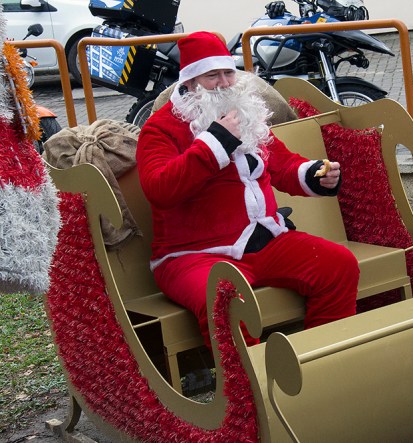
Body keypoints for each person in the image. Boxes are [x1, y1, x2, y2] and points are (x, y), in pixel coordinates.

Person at [136, 31, 359, 348]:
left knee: (338, 266)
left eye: (228, 72)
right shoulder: (161, 128)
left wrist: (313, 175)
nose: (225, 83)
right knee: (225, 300)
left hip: (263, 243)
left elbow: (281, 163)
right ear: (189, 82)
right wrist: (215, 143)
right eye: (212, 76)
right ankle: (250, 378)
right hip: (193, 256)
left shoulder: (244, 114)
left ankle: (321, 359)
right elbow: (160, 189)